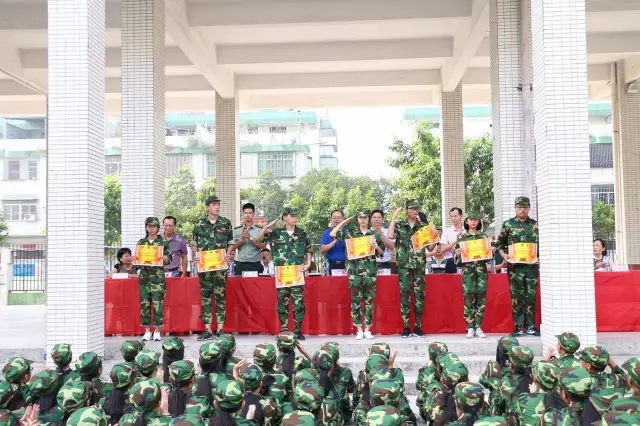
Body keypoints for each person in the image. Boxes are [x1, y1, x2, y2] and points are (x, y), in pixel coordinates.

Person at [256, 208, 312, 340]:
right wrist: (266, 227)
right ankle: (284, 330)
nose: (294, 218)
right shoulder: (276, 233)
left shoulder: (302, 233)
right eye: (292, 216)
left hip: (297, 273)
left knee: (299, 303)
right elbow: (257, 239)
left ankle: (297, 331)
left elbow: (308, 250)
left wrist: (308, 263)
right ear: (285, 218)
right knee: (282, 303)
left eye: (295, 216)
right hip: (282, 274)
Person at [330, 209, 384, 340]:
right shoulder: (350, 234)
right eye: (360, 217)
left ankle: (368, 329)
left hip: (370, 273)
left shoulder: (374, 234)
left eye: (365, 217)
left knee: (369, 301)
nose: (363, 220)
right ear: (357, 219)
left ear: (368, 218)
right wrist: (344, 222)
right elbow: (333, 233)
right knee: (356, 302)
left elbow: (382, 253)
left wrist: (376, 246)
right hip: (355, 273)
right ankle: (359, 329)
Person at [388, 199, 434, 338]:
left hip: (419, 266)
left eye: (416, 209)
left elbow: (430, 248)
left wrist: (433, 235)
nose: (415, 211)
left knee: (419, 296)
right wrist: (394, 218)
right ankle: (406, 327)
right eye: (412, 209)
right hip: (404, 266)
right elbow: (390, 235)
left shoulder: (423, 227)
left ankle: (418, 326)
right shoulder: (400, 225)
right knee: (405, 296)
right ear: (406, 210)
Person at [496, 196, 539, 337]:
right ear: (515, 208)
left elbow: (542, 245)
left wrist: (540, 257)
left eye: (525, 207)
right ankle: (518, 326)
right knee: (517, 297)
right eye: (519, 207)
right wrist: (504, 256)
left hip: (531, 267)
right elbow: (500, 244)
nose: (522, 209)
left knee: (530, 296)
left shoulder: (535, 225)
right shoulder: (508, 224)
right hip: (515, 268)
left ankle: (531, 326)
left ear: (529, 208)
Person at [193, 195, 233, 341]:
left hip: (220, 267)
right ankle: (208, 330)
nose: (217, 207)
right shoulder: (199, 224)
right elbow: (194, 243)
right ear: (207, 207)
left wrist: (228, 253)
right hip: (204, 268)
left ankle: (220, 329)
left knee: (220, 297)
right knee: (206, 298)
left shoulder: (225, 223)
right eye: (214, 204)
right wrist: (196, 255)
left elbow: (231, 242)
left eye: (218, 204)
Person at [455, 211, 490, 339]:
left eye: (475, 219)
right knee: (468, 297)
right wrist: (457, 253)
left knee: (481, 297)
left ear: (478, 221)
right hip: (468, 271)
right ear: (467, 221)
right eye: (471, 219)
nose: (473, 222)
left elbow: (488, 258)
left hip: (481, 270)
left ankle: (478, 326)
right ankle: (470, 326)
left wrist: (491, 251)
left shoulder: (483, 236)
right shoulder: (462, 237)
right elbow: (457, 257)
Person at [137, 217, 171, 341]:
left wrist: (164, 258)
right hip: (144, 278)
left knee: (158, 304)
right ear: (146, 227)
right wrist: (137, 260)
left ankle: (157, 331)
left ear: (158, 228)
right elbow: (137, 260)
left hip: (158, 279)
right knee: (145, 304)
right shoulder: (141, 243)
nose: (152, 229)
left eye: (154, 226)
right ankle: (147, 331)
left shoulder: (163, 242)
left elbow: (169, 259)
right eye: (149, 226)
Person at [227, 203, 267, 276]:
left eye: (250, 213)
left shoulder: (259, 230)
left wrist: (250, 238)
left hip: (255, 264)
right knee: (239, 283)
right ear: (243, 214)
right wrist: (241, 240)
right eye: (246, 213)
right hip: (240, 264)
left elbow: (263, 246)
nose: (248, 215)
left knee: (255, 283)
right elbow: (233, 247)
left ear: (253, 214)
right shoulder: (237, 230)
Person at [320, 210, 347, 274]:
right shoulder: (326, 233)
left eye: (339, 217)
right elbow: (322, 250)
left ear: (343, 219)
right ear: (331, 219)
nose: (336, 219)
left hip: (347, 265)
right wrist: (335, 240)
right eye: (334, 218)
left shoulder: (348, 232)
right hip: (331, 264)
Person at [440, 208, 465, 274]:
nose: (453, 218)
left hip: (466, 261)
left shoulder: (467, 230)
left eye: (455, 216)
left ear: (461, 216)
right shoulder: (447, 231)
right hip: (451, 262)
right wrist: (455, 241)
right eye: (451, 216)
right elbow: (442, 249)